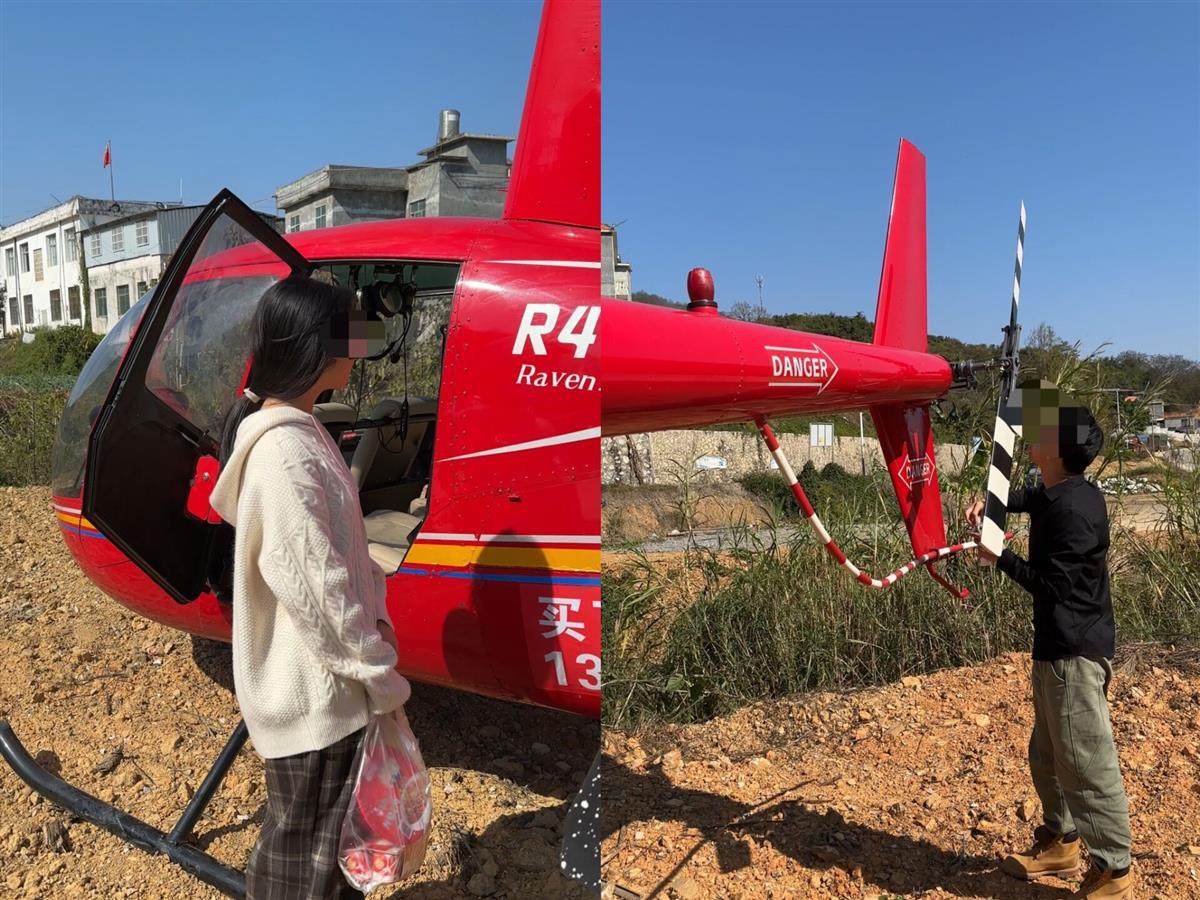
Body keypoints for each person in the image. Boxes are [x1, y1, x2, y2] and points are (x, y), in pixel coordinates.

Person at [210, 275, 410, 900]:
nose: (359, 347)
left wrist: (374, 623)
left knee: (329, 851)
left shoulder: (306, 431)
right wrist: (376, 671)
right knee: (305, 865)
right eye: (349, 333)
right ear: (315, 347)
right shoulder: (283, 454)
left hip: (329, 682)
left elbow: (341, 558)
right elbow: (314, 584)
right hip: (318, 691)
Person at [966, 392, 1132, 900]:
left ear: (1057, 449)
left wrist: (999, 557)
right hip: (1056, 650)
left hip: (1074, 653)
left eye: (1044, 429)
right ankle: (1061, 841)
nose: (1032, 434)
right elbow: (1028, 497)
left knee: (1084, 760)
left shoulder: (1075, 513)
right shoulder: (1063, 491)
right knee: (1048, 753)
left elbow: (1053, 587)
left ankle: (1114, 870)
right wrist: (991, 502)